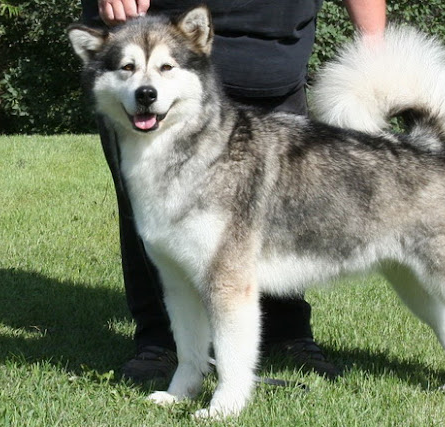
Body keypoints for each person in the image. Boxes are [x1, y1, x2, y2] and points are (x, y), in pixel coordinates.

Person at [79, 0, 386, 383]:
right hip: (143, 23)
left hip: (274, 54)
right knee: (156, 229)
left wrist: (373, 39)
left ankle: (284, 334)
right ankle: (163, 345)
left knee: (273, 222)